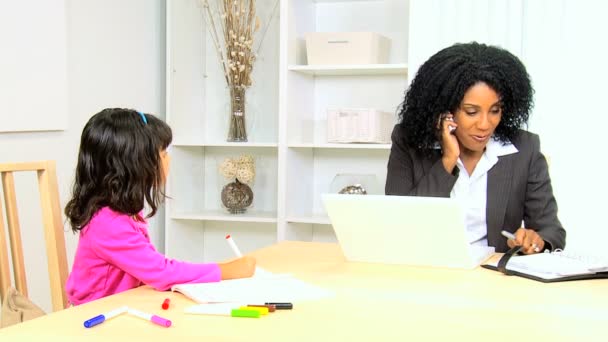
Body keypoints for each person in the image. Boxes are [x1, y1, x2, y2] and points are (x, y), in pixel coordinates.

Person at [385, 42, 565, 254]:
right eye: (471, 112)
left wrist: (536, 240)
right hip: (427, 270)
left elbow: (551, 231)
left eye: (495, 110)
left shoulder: (524, 149)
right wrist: (448, 161)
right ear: (445, 110)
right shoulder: (408, 142)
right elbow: (399, 221)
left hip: (492, 278)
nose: (485, 124)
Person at [65, 108, 255, 305]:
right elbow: (161, 271)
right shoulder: (107, 223)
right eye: (163, 153)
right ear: (134, 165)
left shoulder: (122, 211)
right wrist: (227, 270)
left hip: (123, 306)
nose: (168, 159)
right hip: (94, 318)